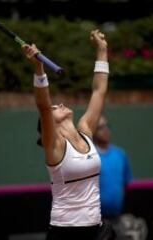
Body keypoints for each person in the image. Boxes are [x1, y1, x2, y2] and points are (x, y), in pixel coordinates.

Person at [22, 29, 114, 240]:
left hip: (95, 228)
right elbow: (43, 107)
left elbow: (99, 90)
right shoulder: (54, 146)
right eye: (56, 107)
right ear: (49, 125)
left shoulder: (86, 131)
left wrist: (102, 51)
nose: (60, 104)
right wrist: (39, 69)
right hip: (66, 232)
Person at [93, 115, 133, 236]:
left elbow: (125, 184)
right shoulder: (89, 156)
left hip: (117, 220)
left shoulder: (120, 154)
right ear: (92, 131)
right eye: (100, 127)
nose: (105, 130)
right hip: (94, 222)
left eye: (107, 126)